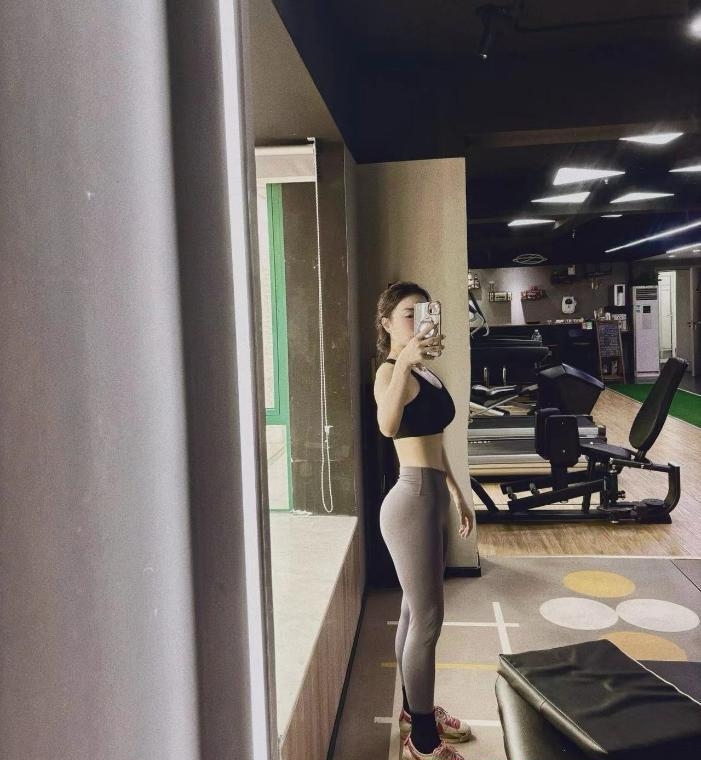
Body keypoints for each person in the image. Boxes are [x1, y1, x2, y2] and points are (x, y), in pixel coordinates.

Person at [374, 281, 475, 760]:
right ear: (386, 323)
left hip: (433, 497)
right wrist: (404, 363)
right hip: (411, 500)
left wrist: (457, 491)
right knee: (429, 620)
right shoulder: (389, 371)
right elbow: (388, 425)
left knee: (415, 613)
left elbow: (434, 437)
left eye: (424, 312)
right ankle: (423, 740)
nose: (417, 321)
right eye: (408, 314)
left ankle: (414, 714)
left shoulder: (427, 373)